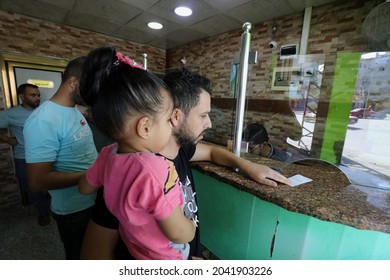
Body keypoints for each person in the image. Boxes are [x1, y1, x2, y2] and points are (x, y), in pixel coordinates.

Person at [80, 68, 291, 260]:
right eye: (204, 115)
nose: (209, 124)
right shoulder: (134, 176)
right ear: (175, 116)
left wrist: (247, 166)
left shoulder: (180, 150)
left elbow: (213, 151)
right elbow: (94, 257)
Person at [78, 45, 196, 260]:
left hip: (135, 249)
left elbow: (84, 187)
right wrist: (192, 228)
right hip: (166, 257)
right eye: (169, 119)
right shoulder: (158, 169)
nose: (172, 127)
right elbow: (179, 234)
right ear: (145, 127)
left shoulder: (107, 154)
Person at [23, 57, 98, 260]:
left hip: (94, 200)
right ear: (73, 82)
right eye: (91, 86)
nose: (95, 92)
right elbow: (37, 181)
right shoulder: (43, 120)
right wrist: (93, 175)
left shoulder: (73, 111)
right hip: (75, 211)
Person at [0, 83, 51, 226]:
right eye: (33, 95)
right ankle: (43, 211)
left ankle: (57, 208)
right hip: (24, 157)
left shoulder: (45, 111)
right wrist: (7, 139)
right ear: (22, 96)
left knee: (55, 182)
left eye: (38, 95)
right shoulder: (11, 113)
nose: (37, 98)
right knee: (31, 187)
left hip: (48, 155)